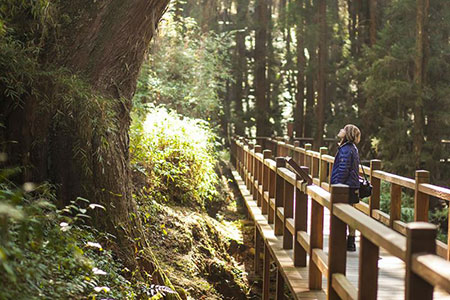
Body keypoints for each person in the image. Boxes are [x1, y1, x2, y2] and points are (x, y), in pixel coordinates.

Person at [330, 124, 361, 251]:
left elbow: (343, 169)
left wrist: (337, 186)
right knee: (350, 212)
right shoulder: (351, 148)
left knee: (342, 213)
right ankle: (351, 240)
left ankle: (342, 240)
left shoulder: (346, 149)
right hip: (351, 185)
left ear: (347, 134)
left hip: (345, 187)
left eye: (343, 129)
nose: (340, 130)